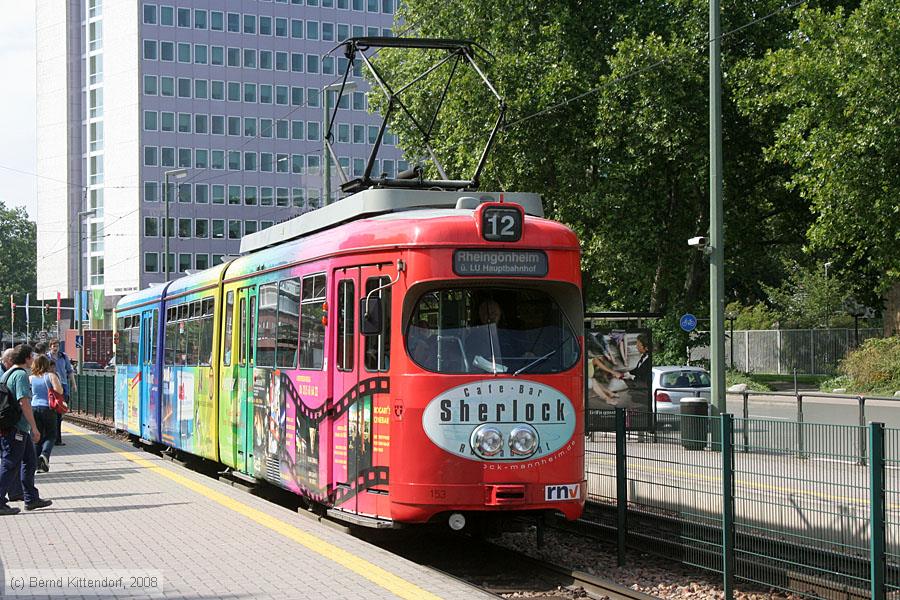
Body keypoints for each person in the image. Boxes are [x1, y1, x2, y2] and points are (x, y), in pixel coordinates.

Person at [0, 344, 53, 514]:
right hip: (17, 428)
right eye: (32, 356)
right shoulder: (21, 375)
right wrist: (34, 428)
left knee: (30, 461)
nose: (33, 359)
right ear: (27, 358)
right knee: (10, 464)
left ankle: (31, 498)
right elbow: (24, 402)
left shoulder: (6, 373)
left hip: (10, 426)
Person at [29, 355, 63, 472]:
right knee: (51, 435)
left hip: (33, 408)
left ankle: (37, 465)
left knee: (36, 436)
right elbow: (60, 390)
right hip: (48, 408)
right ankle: (44, 455)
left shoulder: (31, 378)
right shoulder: (51, 376)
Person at [0, 348, 23, 503]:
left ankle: (25, 495)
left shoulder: (6, 373)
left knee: (20, 459)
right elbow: (24, 401)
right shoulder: (17, 374)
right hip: (10, 423)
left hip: (12, 423)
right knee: (10, 460)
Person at [47, 339, 75, 446]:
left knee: (62, 409)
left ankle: (57, 437)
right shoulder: (46, 357)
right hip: (51, 386)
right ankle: (55, 437)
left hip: (63, 385)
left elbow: (70, 371)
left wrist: (74, 384)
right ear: (50, 346)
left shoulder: (63, 357)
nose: (55, 347)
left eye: (57, 345)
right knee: (54, 411)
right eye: (53, 345)